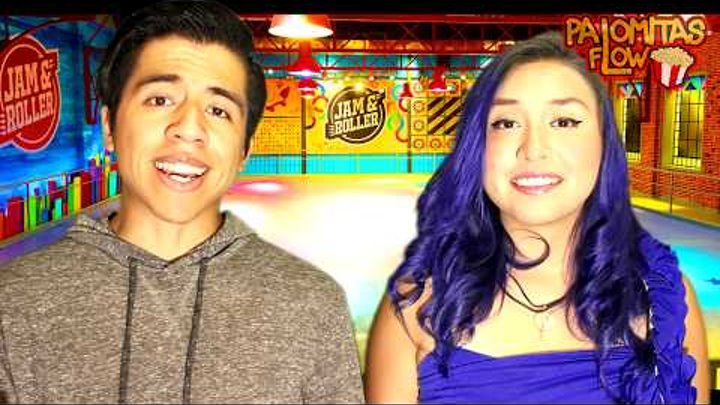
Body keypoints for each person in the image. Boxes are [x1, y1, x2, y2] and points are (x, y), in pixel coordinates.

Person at [0, 1, 364, 403]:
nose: (189, 128)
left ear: (244, 150)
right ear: (109, 127)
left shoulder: (312, 305)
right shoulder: (14, 302)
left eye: (218, 110)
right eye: (160, 100)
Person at [364, 31, 710, 404]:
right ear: (477, 148)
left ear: (604, 144)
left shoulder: (666, 303)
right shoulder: (415, 308)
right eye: (506, 123)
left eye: (564, 122)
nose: (533, 149)